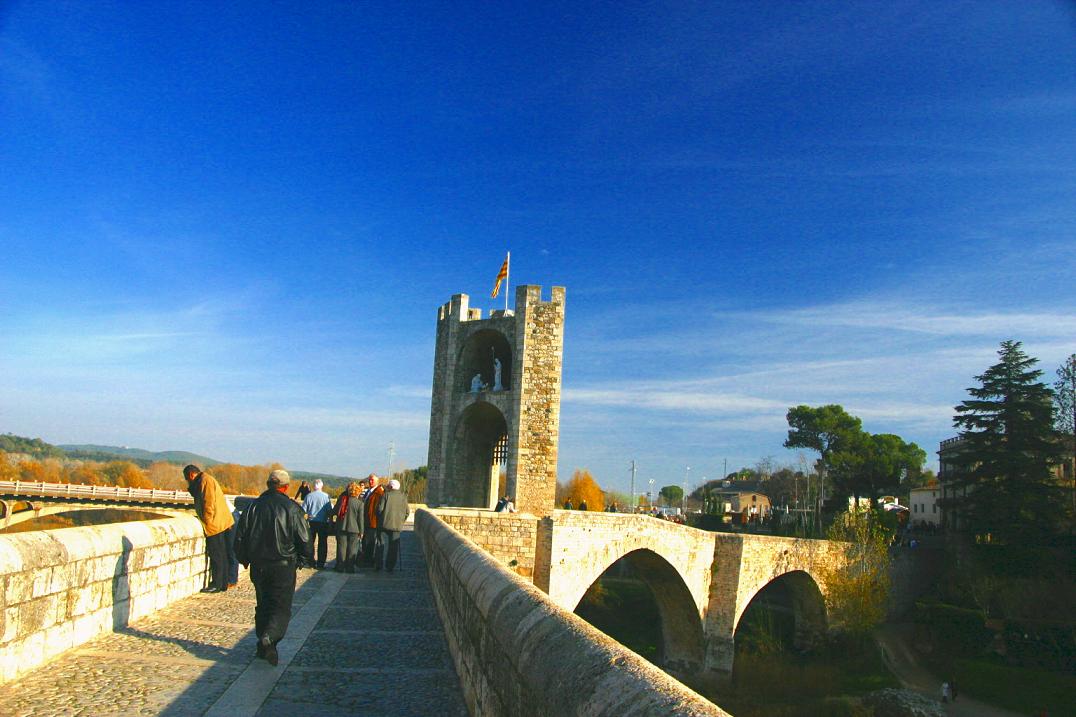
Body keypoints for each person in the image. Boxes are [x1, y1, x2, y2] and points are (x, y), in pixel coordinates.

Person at [234, 469, 312, 666]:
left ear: (269, 485)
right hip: (283, 566)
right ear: (285, 487)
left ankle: (263, 646)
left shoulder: (253, 507)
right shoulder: (292, 509)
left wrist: (244, 559)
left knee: (263, 605)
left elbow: (240, 537)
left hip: (259, 565)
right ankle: (270, 637)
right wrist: (303, 559)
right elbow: (305, 539)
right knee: (281, 607)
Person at [183, 464, 234, 593]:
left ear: (191, 475)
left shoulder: (205, 481)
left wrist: (207, 521)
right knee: (222, 554)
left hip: (214, 524)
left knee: (217, 555)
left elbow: (208, 503)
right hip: (219, 522)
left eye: (186, 479)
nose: (187, 482)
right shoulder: (206, 479)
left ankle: (216, 584)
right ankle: (223, 583)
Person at [378, 479, 410, 572]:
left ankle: (379, 564)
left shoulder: (386, 495)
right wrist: (401, 521)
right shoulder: (403, 497)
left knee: (380, 544)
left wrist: (380, 519)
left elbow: (380, 509)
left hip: (383, 525)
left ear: (391, 487)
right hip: (397, 526)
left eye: (388, 486)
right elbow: (407, 512)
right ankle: (390, 566)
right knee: (393, 547)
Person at [332, 482, 364, 573]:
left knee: (341, 548)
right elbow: (360, 519)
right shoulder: (359, 504)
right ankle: (350, 567)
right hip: (354, 529)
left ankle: (340, 566)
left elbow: (334, 511)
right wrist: (361, 531)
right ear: (358, 492)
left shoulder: (343, 500)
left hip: (341, 527)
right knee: (352, 548)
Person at [301, 479, 332, 569]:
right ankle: (321, 564)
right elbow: (329, 511)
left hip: (311, 522)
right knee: (322, 543)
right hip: (323, 522)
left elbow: (303, 510)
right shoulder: (326, 496)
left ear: (314, 486)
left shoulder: (308, 496)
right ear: (321, 486)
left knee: (310, 543)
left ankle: (310, 562)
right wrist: (330, 521)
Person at [362, 475, 385, 569]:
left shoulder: (379, 492)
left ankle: (369, 562)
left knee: (370, 543)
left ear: (377, 481)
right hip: (367, 521)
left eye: (372, 480)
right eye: (369, 480)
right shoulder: (369, 491)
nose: (370, 482)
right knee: (366, 542)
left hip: (373, 522)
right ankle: (367, 560)